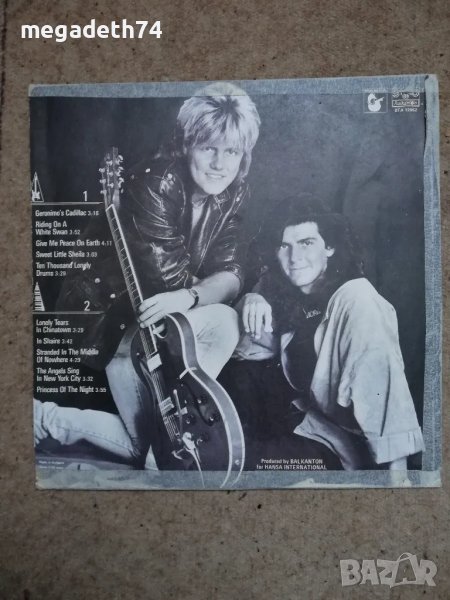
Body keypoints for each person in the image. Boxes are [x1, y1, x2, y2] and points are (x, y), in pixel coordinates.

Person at [34, 83, 261, 468]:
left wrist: (193, 295)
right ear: (187, 145)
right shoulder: (158, 181)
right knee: (224, 319)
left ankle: (43, 418)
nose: (220, 164)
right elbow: (168, 279)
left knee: (149, 447)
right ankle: (179, 423)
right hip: (116, 322)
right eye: (209, 148)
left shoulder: (233, 193)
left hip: (163, 325)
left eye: (232, 152)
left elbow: (232, 271)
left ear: (243, 156)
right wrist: (206, 289)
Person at [230, 195, 425, 470]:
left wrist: (397, 477)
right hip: (307, 427)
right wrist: (252, 297)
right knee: (227, 459)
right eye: (284, 246)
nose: (294, 258)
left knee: (237, 466)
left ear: (330, 247)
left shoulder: (355, 297)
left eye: (306, 243)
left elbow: (382, 382)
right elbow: (241, 349)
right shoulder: (286, 294)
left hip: (352, 447)